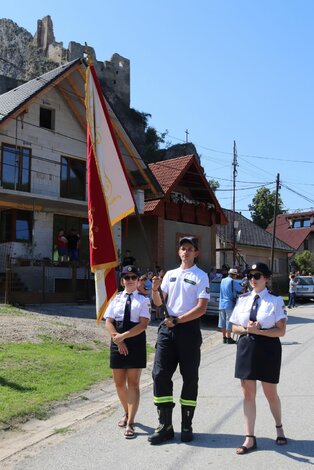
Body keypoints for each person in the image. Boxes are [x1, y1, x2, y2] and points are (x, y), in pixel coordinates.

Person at [148, 236, 210, 445]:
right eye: (183, 248)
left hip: (188, 329)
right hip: (167, 329)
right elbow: (159, 303)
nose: (186, 252)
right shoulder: (170, 275)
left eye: (190, 249)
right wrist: (155, 289)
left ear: (196, 253)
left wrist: (179, 319)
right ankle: (165, 426)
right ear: (178, 252)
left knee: (189, 377)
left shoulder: (201, 276)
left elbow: (201, 308)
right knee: (159, 375)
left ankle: (186, 425)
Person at [229, 262, 288, 455]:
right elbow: (233, 328)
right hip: (246, 347)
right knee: (248, 394)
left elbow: (281, 331)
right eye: (250, 276)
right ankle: (249, 438)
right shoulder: (243, 299)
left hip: (268, 348)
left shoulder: (275, 300)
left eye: (257, 275)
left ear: (266, 278)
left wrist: (260, 331)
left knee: (270, 393)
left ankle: (279, 427)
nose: (253, 279)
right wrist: (248, 329)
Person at [104, 265, 151, 439]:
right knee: (118, 383)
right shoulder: (115, 299)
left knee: (133, 384)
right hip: (117, 340)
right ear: (122, 280)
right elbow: (109, 321)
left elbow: (143, 324)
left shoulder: (143, 300)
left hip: (135, 340)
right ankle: (126, 411)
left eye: (133, 277)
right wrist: (118, 338)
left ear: (138, 280)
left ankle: (130, 422)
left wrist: (124, 336)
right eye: (126, 277)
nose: (130, 280)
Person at [218, 268, 243, 344]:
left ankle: (224, 338)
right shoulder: (232, 281)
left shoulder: (222, 280)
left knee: (222, 321)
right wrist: (244, 285)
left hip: (221, 304)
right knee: (229, 321)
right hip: (229, 304)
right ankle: (229, 338)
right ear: (234, 275)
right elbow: (241, 290)